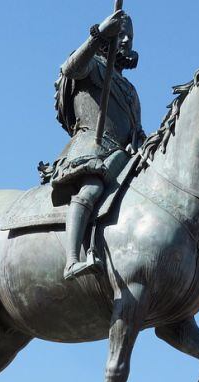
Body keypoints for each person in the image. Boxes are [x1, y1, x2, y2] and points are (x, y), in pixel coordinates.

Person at [48, 10, 144, 280]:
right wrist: (100, 32)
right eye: (121, 35)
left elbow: (134, 129)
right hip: (91, 145)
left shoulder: (129, 89)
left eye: (130, 37)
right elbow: (70, 69)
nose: (126, 41)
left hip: (122, 156)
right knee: (91, 190)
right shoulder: (92, 65)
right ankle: (71, 260)